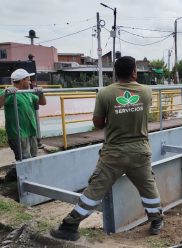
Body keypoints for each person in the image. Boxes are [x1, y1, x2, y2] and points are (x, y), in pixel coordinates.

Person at [50, 56, 163, 241]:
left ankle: (70, 226)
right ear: (134, 72)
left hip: (114, 154)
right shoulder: (146, 92)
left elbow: (98, 124)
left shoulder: (105, 93)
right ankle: (156, 221)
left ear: (114, 73)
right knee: (148, 187)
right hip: (140, 152)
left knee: (95, 189)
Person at [0, 69, 46, 181]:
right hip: (18, 133)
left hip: (31, 131)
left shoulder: (28, 93)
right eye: (28, 80)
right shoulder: (9, 93)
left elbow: (42, 102)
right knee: (25, 160)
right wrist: (6, 93)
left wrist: (40, 94)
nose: (30, 82)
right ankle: (29, 184)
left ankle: (11, 176)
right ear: (21, 81)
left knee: (32, 159)